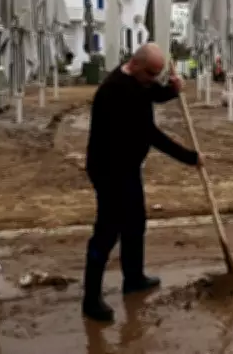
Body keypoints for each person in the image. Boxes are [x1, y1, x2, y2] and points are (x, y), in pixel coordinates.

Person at [83, 43, 200, 322]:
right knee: (107, 231)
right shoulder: (116, 91)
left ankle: (134, 278)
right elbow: (151, 134)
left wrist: (172, 90)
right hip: (109, 170)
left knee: (135, 223)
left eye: (157, 75)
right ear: (135, 64)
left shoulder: (136, 80)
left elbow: (152, 93)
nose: (153, 79)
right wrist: (190, 157)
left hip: (128, 168)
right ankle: (91, 299)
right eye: (151, 73)